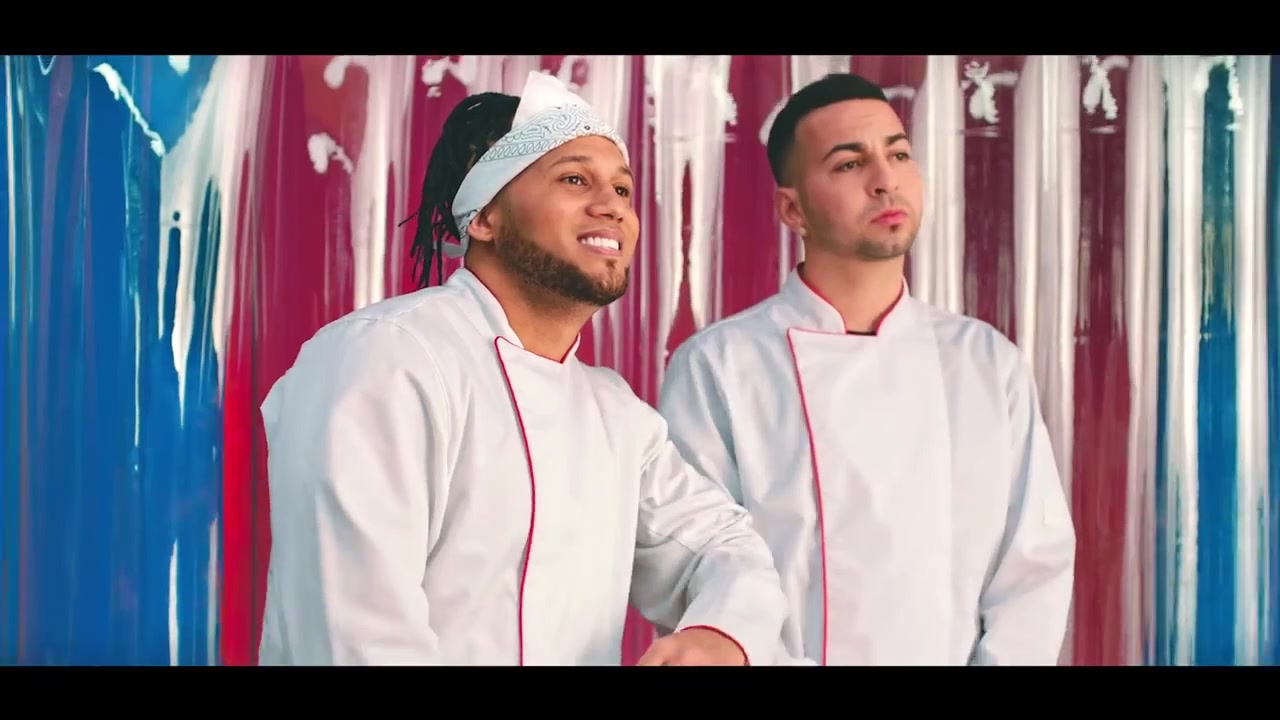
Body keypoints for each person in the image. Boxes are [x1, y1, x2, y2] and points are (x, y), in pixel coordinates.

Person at [256, 71, 787, 666]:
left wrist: (721, 634)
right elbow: (354, 635)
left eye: (622, 189)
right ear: (484, 217)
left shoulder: (616, 415)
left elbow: (722, 546)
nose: (611, 206)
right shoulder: (386, 356)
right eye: (574, 179)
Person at [657, 73, 1077, 666]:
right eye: (850, 164)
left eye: (898, 154)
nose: (885, 180)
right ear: (792, 208)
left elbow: (1033, 569)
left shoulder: (986, 362)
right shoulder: (720, 368)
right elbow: (696, 570)